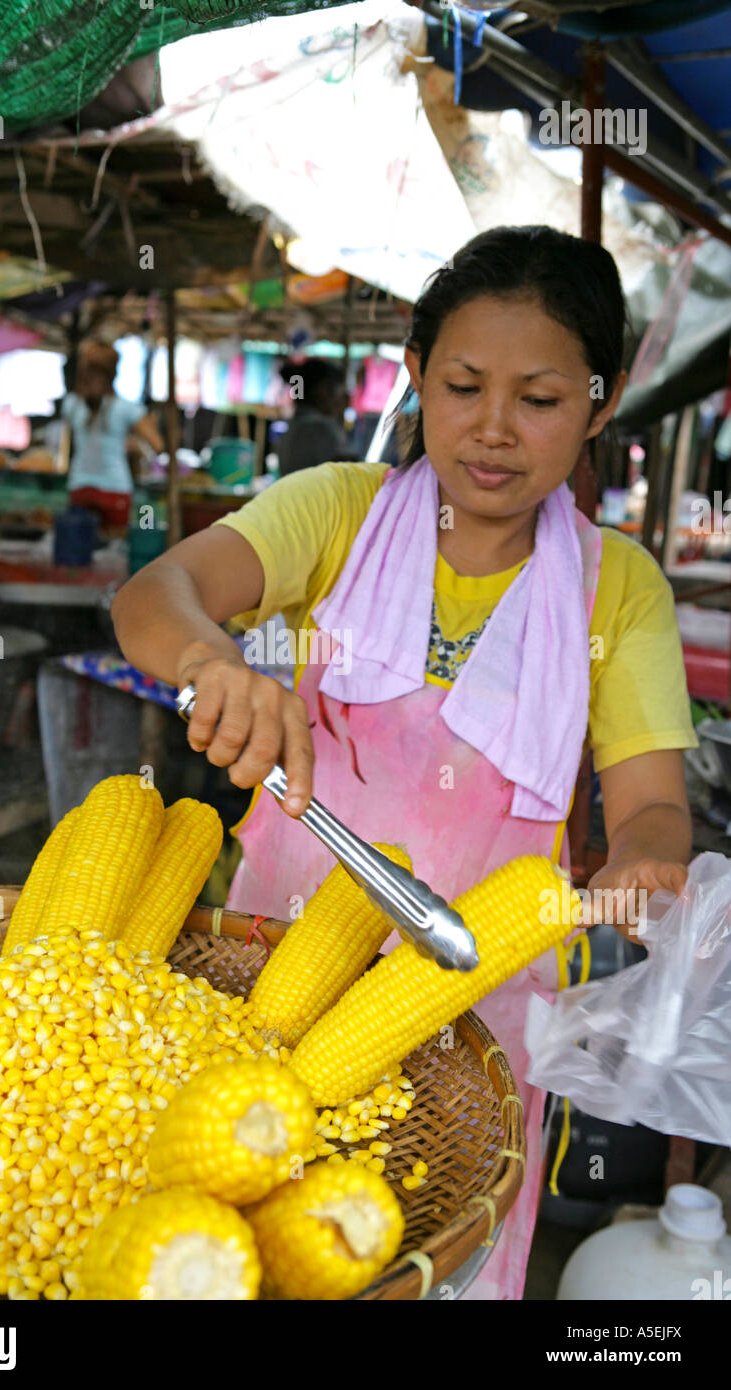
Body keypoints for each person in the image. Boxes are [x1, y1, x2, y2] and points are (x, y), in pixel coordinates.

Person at [111, 225, 697, 1299]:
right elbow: (151, 596)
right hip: (273, 976)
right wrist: (213, 663)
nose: (492, 430)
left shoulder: (617, 589)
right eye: (463, 384)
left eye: (540, 399)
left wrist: (647, 864)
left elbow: (652, 803)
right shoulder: (337, 512)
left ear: (599, 407)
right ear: (415, 374)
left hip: (472, 1014)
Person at [61, 340, 164, 532]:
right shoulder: (126, 409)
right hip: (115, 492)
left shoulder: (71, 405)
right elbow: (157, 445)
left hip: (79, 489)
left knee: (77, 552)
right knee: (112, 555)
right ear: (114, 373)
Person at [275, 357, 355, 474]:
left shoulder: (294, 426)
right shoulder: (321, 429)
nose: (346, 399)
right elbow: (348, 473)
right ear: (323, 390)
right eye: (342, 392)